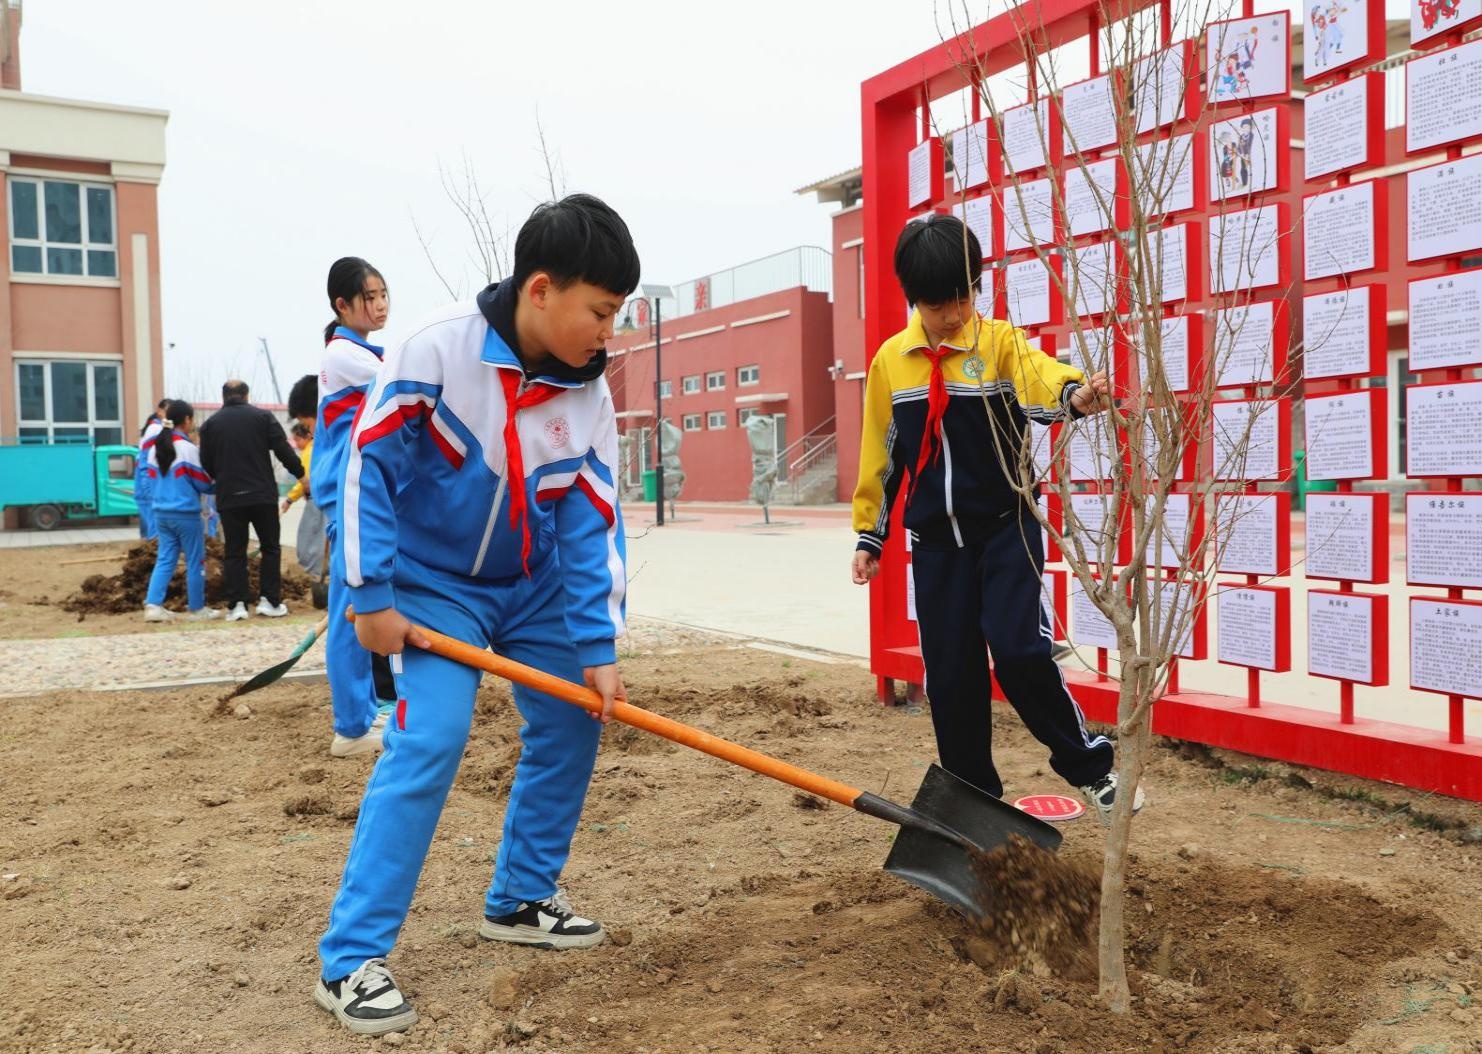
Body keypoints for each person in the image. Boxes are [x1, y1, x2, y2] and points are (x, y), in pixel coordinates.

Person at [313, 194, 637, 1037]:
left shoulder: (589, 395)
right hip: (434, 585)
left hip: (533, 584)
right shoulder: (436, 347)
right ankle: (350, 959)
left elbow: (591, 521)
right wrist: (370, 596)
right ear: (542, 289)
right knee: (432, 734)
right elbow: (367, 468)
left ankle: (522, 896)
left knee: (575, 715)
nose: (610, 331)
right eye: (601, 311)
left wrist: (597, 643)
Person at [848, 212, 1142, 826]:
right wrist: (870, 533)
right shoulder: (890, 364)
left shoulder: (999, 342)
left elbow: (1039, 376)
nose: (953, 315)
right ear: (913, 298)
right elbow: (882, 453)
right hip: (937, 546)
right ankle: (972, 802)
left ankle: (1091, 768)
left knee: (1020, 653)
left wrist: (1074, 393)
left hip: (1006, 531)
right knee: (951, 678)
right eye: (938, 304)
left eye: (963, 298)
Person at [312, 260, 396, 758]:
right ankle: (350, 728)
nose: (381, 305)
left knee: (361, 604)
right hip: (348, 494)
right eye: (370, 297)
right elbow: (408, 381)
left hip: (355, 492)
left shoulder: (357, 352)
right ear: (342, 305)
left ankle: (364, 713)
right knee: (351, 611)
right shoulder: (346, 355)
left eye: (384, 294)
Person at [198, 379, 304, 621]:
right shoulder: (263, 417)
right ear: (246, 396)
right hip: (262, 495)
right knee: (270, 548)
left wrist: (223, 477)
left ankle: (238, 605)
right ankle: (269, 601)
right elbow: (282, 449)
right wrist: (300, 474)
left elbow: (206, 462)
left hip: (230, 497)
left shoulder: (210, 425)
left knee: (234, 551)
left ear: (223, 397)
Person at [142, 400, 220, 623]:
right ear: (186, 420)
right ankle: (197, 608)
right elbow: (203, 482)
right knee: (195, 561)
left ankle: (153, 605)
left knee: (165, 559)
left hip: (161, 514)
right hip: (186, 514)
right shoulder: (188, 449)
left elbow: (149, 481)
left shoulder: (154, 449)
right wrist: (218, 484)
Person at [134, 397, 171, 539]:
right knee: (154, 525)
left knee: (149, 525)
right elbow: (145, 461)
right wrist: (148, 485)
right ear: (160, 411)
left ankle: (149, 546)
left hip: (145, 480)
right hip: (148, 480)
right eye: (168, 411)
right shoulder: (156, 428)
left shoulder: (155, 427)